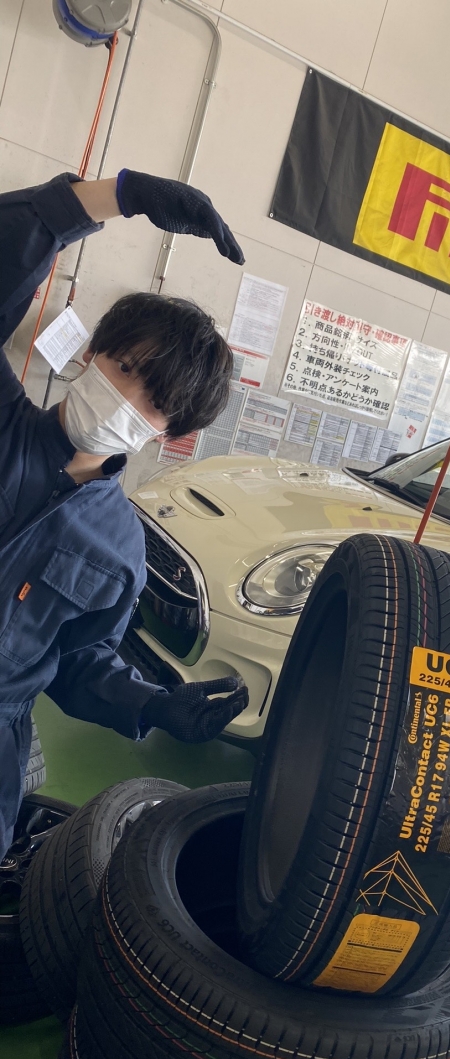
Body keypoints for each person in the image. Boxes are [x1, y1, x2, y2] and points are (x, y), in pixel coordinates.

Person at [0, 169, 251, 858]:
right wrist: (114, 196)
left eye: (155, 403)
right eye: (126, 368)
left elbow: (78, 661)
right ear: (90, 354)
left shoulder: (118, 550)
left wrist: (152, 704)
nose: (127, 400)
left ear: (170, 432)